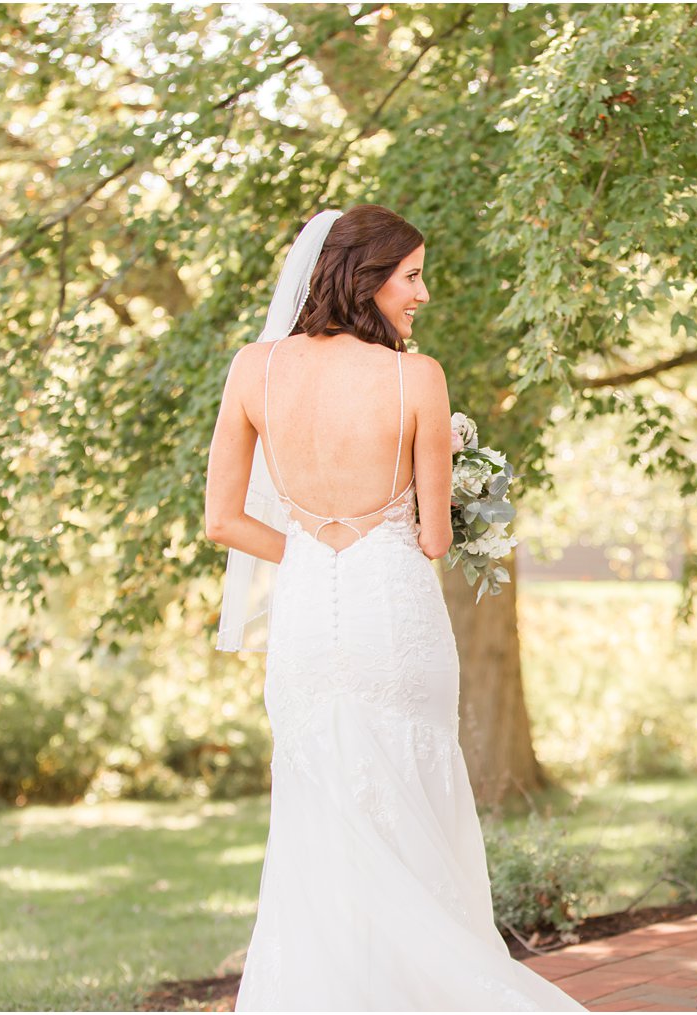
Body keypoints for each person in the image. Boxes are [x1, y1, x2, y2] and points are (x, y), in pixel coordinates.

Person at [205, 205, 583, 1012]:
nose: (422, 293)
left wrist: (309, 550)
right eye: (411, 275)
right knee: (413, 793)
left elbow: (224, 520)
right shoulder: (418, 377)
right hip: (393, 615)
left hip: (306, 619)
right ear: (364, 275)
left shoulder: (253, 369)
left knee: (317, 806)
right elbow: (436, 536)